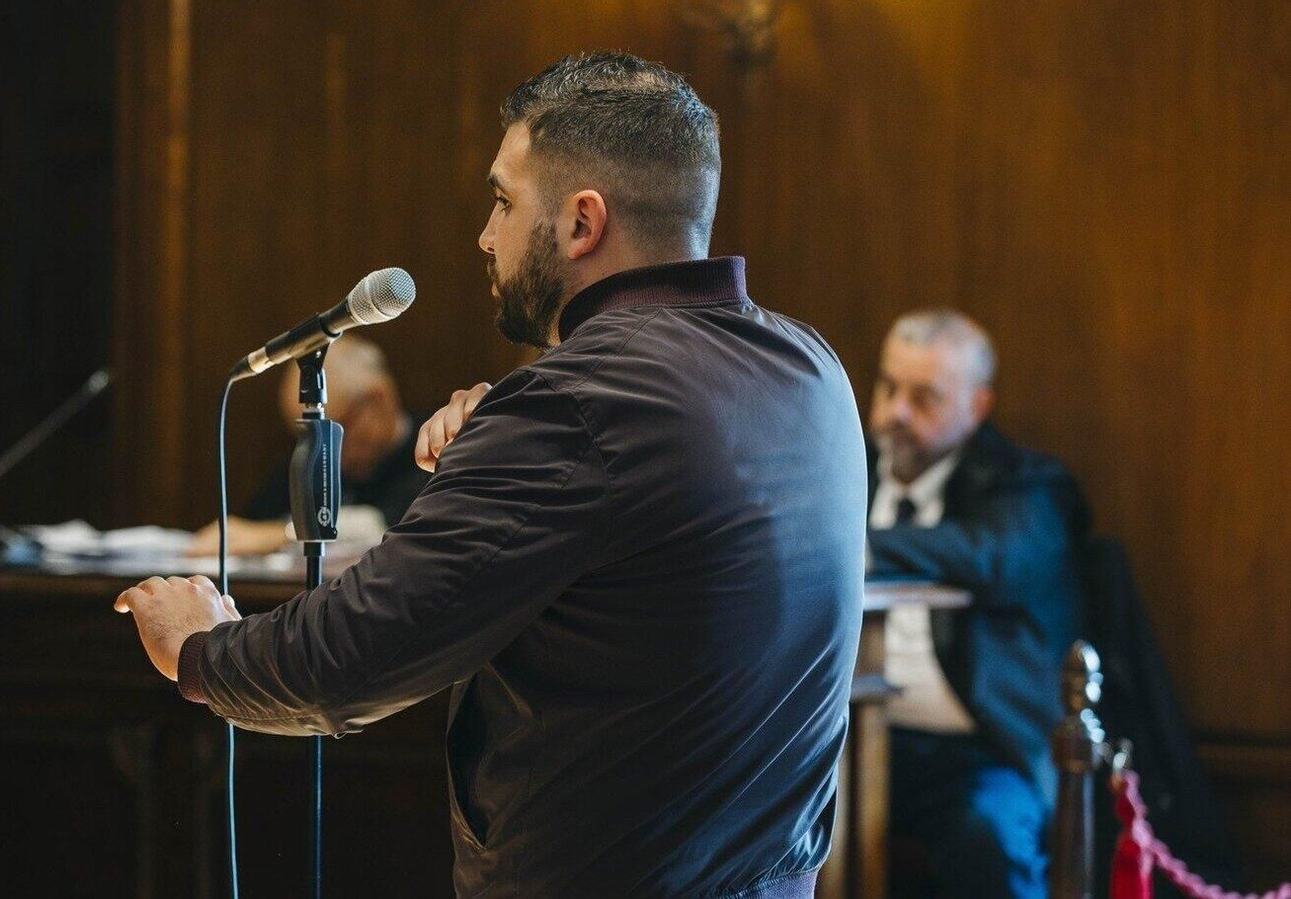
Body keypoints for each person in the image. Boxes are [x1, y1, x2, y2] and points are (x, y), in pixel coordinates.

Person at [114, 52, 866, 898]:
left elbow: (351, 656)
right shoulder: (811, 368)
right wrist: (502, 440)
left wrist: (202, 651)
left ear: (582, 222)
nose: (485, 233)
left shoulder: (581, 405)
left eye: (505, 201)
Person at [864, 309, 1088, 899]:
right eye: (888, 388)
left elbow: (995, 556)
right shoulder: (839, 469)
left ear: (978, 406)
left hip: (977, 753)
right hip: (843, 744)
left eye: (924, 398)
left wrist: (855, 546)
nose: (896, 415)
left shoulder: (1026, 483)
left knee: (990, 839)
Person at [186, 335, 429, 556]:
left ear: (379, 399)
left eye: (333, 429)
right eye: (305, 435)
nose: (322, 448)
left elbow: (386, 524)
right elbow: (251, 525)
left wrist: (282, 535)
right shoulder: (309, 455)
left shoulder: (433, 452)